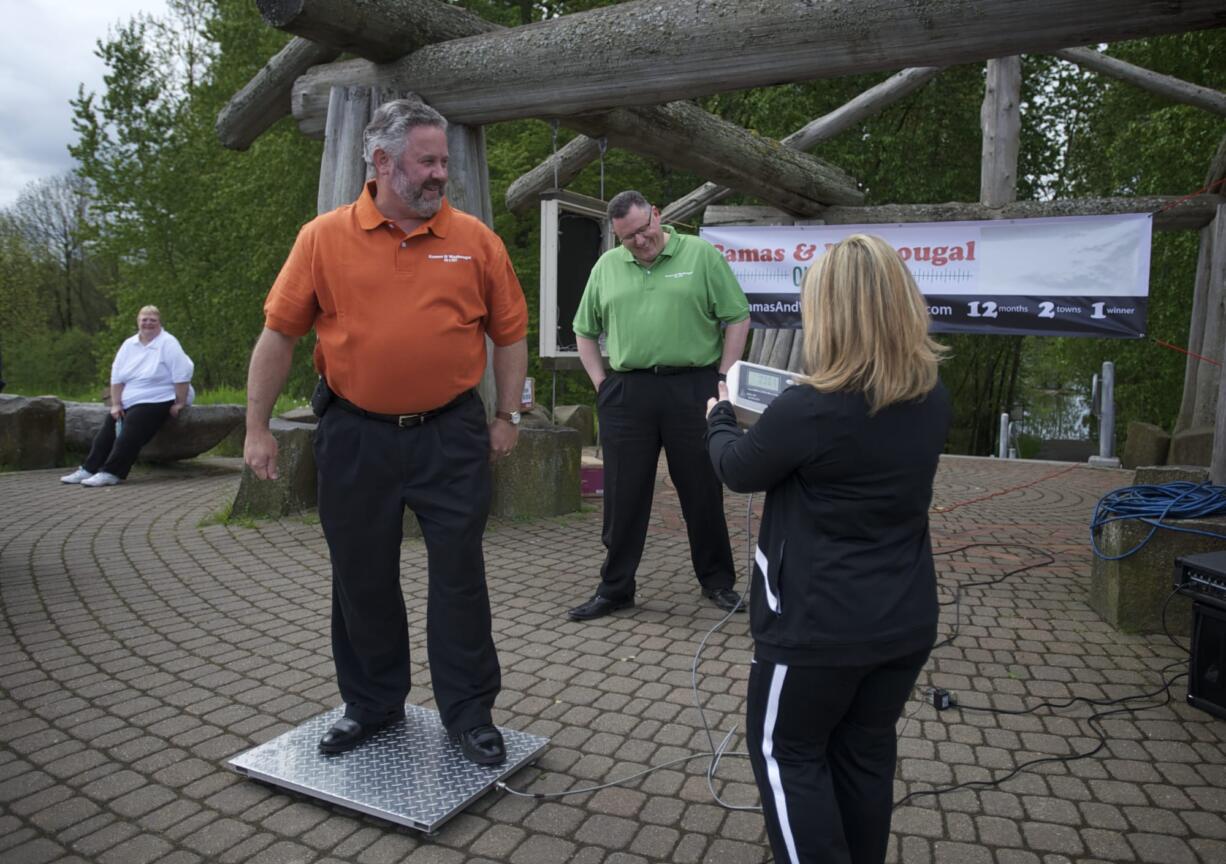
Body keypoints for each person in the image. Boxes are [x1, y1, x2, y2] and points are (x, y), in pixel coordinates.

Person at [243, 99, 528, 765]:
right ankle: (371, 706)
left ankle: (469, 714)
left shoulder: (476, 240)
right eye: (426, 162)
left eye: (443, 162)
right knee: (361, 576)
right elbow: (279, 336)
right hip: (354, 434)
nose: (440, 176)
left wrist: (507, 415)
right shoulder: (322, 238)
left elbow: (510, 335)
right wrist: (255, 427)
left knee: (459, 575)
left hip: (451, 434)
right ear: (381, 163)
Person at [705, 234, 951, 864]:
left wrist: (718, 416)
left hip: (817, 629)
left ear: (833, 313)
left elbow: (737, 469)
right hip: (902, 620)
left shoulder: (808, 409)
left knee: (786, 754)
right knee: (863, 753)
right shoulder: (931, 395)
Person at [568, 190, 751, 621]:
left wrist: (722, 377)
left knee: (702, 490)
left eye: (644, 229)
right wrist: (601, 384)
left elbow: (737, 316)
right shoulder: (607, 266)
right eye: (628, 237)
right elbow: (583, 329)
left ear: (657, 214)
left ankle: (718, 582)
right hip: (628, 393)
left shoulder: (701, 255)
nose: (640, 241)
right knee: (623, 496)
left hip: (693, 387)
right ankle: (615, 588)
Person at [61, 305, 194, 487]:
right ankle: (88, 468)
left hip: (160, 397)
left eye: (152, 320)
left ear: (159, 322)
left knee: (131, 428)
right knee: (107, 429)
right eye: (144, 320)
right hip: (131, 397)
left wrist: (180, 403)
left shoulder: (168, 343)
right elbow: (117, 377)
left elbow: (181, 375)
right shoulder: (129, 345)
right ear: (138, 322)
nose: (148, 323)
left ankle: (112, 472)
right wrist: (116, 404)